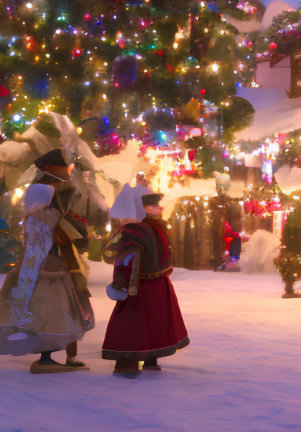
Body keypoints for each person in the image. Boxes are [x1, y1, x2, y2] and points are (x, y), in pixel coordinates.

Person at [0, 149, 94, 373]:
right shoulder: (47, 204)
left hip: (49, 263)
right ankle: (47, 356)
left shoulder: (41, 208)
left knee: (61, 305)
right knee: (52, 308)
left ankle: (65, 355)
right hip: (52, 265)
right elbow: (54, 235)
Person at [101, 187, 189, 378]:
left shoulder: (133, 231)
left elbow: (127, 261)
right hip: (158, 284)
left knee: (132, 322)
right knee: (154, 321)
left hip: (139, 286)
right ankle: (151, 358)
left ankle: (128, 361)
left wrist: (120, 285)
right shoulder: (152, 228)